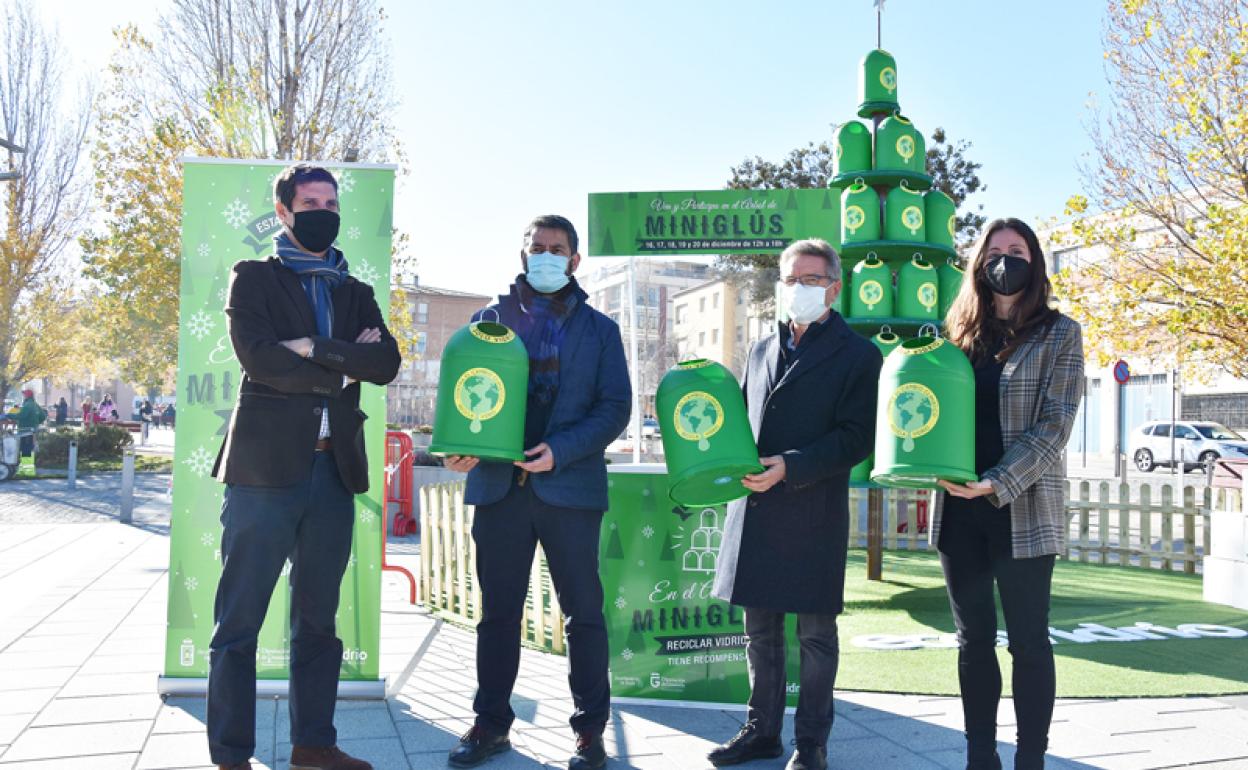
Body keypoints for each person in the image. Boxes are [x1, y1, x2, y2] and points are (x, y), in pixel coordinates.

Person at [207, 164, 401, 770]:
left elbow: (387, 362)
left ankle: (314, 746)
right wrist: (347, 362)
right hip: (263, 473)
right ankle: (231, 755)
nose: (325, 210)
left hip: (332, 474)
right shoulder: (254, 279)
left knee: (319, 622)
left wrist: (315, 349)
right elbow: (260, 362)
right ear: (286, 211)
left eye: (332, 201)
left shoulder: (355, 290)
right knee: (238, 624)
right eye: (312, 201)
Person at [442, 215, 630, 770]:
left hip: (569, 488)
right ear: (523, 255)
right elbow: (466, 400)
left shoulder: (600, 330)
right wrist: (459, 446)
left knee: (583, 615)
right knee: (497, 613)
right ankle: (490, 725)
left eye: (558, 249)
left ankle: (590, 731)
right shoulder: (487, 321)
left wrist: (562, 449)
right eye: (537, 248)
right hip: (499, 490)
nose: (547, 257)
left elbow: (615, 407)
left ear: (575, 260)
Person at [708, 239, 881, 770]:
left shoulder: (858, 354)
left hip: (811, 510)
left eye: (810, 280)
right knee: (758, 632)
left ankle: (811, 744)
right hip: (757, 511)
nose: (799, 289)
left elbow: (857, 438)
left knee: (814, 636)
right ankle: (761, 732)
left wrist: (791, 464)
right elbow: (738, 422)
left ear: (834, 285)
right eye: (790, 280)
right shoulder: (761, 349)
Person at [934, 218, 1085, 770]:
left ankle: (1030, 758)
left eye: (1016, 250)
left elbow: (1054, 425)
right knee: (973, 641)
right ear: (978, 263)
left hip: (1021, 507)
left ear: (1035, 261)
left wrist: (996, 480)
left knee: (1028, 641)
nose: (1004, 260)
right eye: (994, 251)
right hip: (959, 512)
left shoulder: (1060, 333)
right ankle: (980, 757)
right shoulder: (952, 334)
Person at [16, 389, 47, 457]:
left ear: (27, 396)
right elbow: (43, 416)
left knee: (25, 450)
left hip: (26, 431)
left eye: (24, 394)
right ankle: (27, 466)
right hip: (32, 431)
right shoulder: (35, 404)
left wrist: (8, 415)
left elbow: (21, 415)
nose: (23, 396)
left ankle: (26, 467)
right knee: (29, 450)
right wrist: (35, 423)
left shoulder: (28, 405)